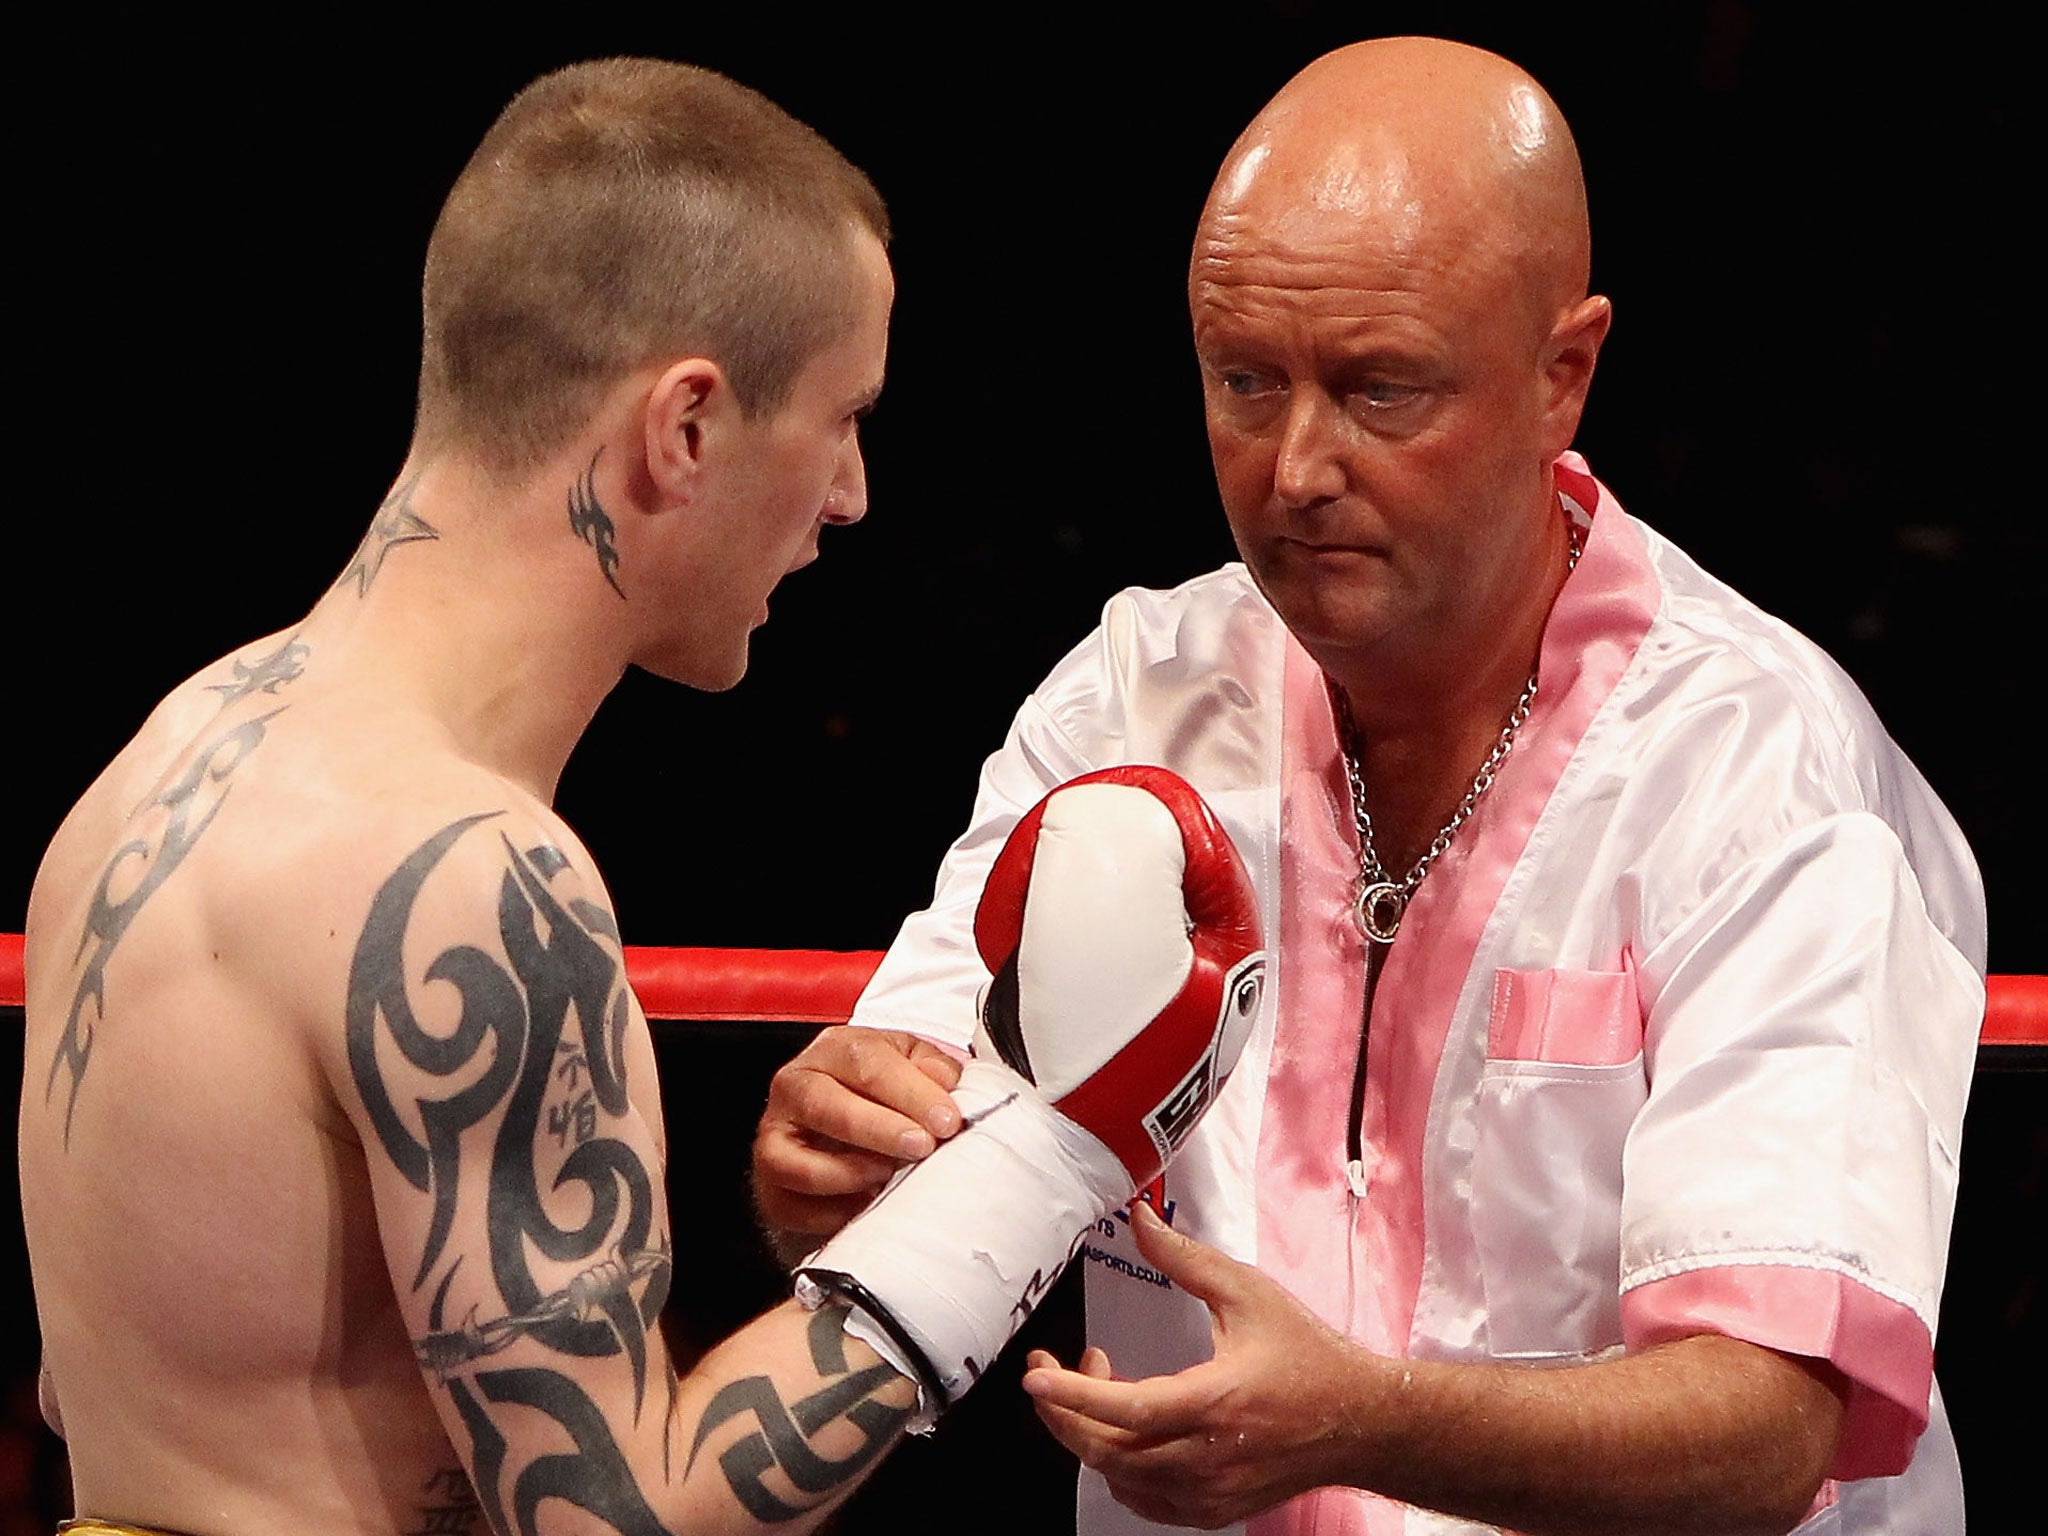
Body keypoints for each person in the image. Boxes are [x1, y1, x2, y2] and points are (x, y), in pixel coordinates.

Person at [752, 37, 1985, 1536]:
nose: (1294, 469)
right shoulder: (1133, 697)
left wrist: (1359, 1423)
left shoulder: (1759, 766)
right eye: (1244, 382)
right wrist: (833, 1168)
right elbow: (916, 1149)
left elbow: (1771, 1422)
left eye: (1381, 389)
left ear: (1562, 376)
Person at [19, 56, 1173, 1536]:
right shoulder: (466, 877)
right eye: (843, 417)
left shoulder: (171, 756)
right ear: (684, 427)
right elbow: (616, 1516)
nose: (852, 496)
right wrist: (1056, 1151)